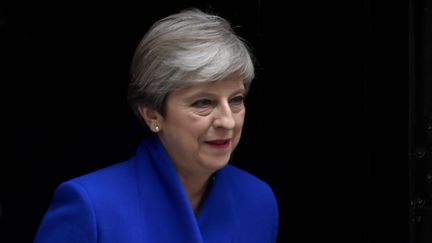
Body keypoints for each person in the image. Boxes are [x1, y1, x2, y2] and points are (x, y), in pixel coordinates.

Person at [34, 8, 279, 243]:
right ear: (152, 115)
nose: (227, 121)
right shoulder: (91, 207)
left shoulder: (258, 200)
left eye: (236, 100)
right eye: (203, 102)